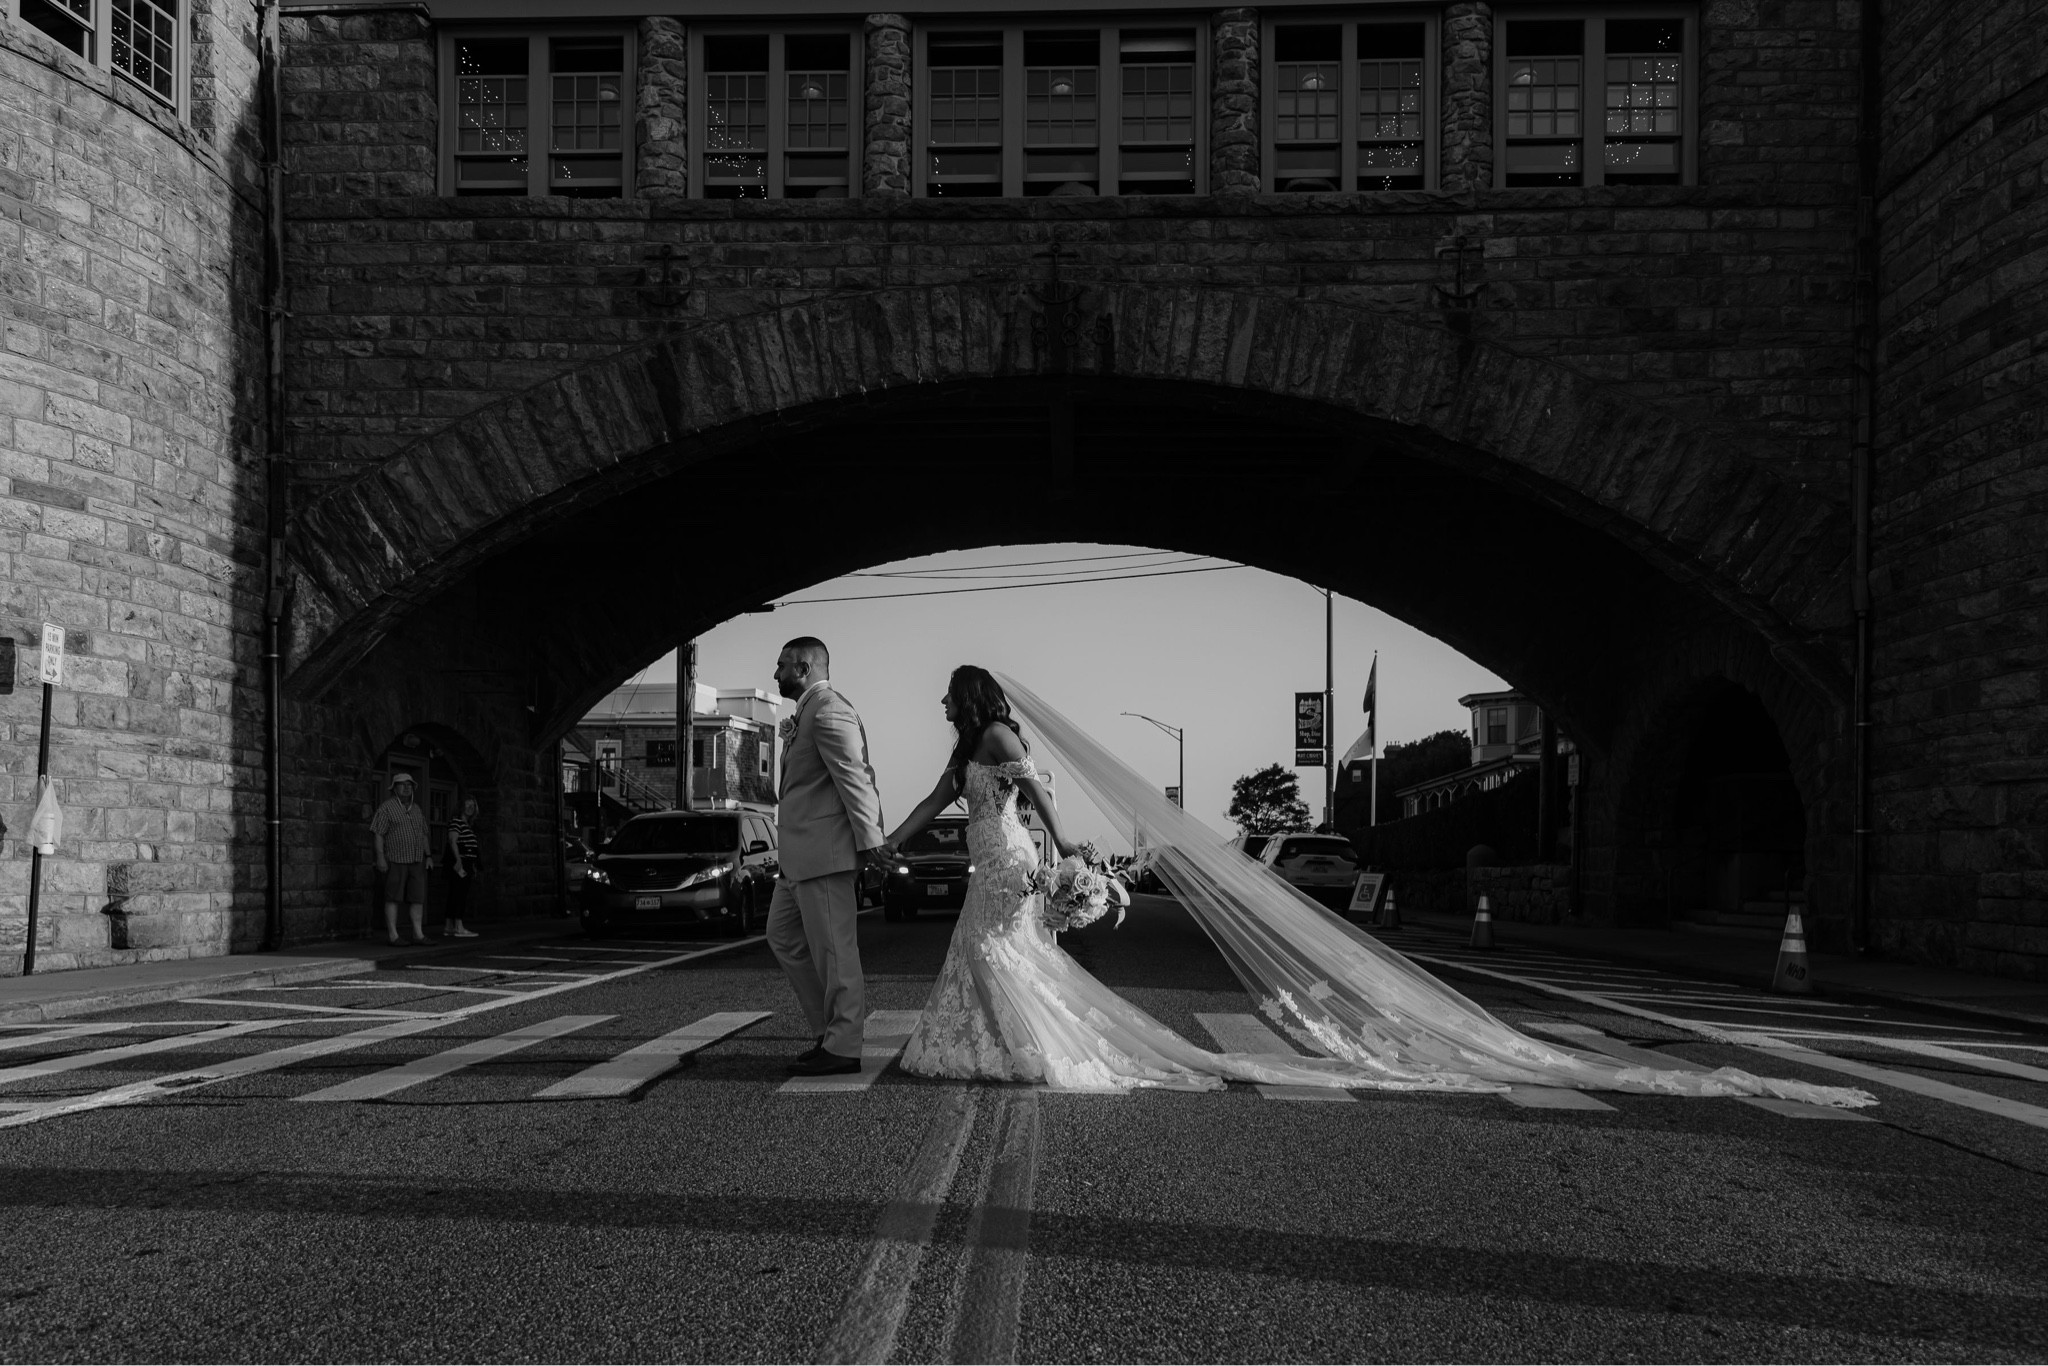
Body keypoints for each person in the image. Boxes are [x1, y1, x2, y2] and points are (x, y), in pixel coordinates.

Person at [882, 667, 1877, 1107]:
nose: (941, 706)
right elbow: (933, 801)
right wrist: (887, 842)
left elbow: (1037, 797)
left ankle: (1020, 1045)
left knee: (1000, 950)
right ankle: (1000, 1042)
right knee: (992, 952)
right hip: (992, 860)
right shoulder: (966, 748)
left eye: (945, 697)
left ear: (968, 698)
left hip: (1014, 858)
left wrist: (1063, 853)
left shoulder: (999, 736)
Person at [766, 637, 889, 1078]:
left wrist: (871, 841)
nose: (776, 673)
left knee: (836, 953)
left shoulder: (829, 710)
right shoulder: (807, 712)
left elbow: (856, 777)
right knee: (782, 936)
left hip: (826, 855)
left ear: (804, 668)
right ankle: (827, 1030)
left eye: (782, 665)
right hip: (798, 858)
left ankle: (843, 1047)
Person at [370, 772, 434, 946]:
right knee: (393, 897)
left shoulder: (416, 809)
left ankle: (418, 934)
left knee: (418, 897)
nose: (406, 788)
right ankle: (393, 935)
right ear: (394, 788)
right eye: (402, 785)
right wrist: (380, 857)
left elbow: (423, 834)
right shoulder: (386, 808)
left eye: (409, 785)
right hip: (396, 859)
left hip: (416, 860)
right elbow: (378, 834)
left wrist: (428, 856)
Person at [443, 796, 482, 938]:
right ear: (461, 806)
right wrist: (458, 860)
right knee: (459, 894)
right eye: (467, 805)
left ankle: (449, 926)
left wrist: (474, 865)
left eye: (473, 805)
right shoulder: (457, 822)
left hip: (468, 862)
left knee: (456, 893)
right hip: (460, 862)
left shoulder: (468, 825)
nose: (470, 808)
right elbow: (453, 841)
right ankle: (458, 926)